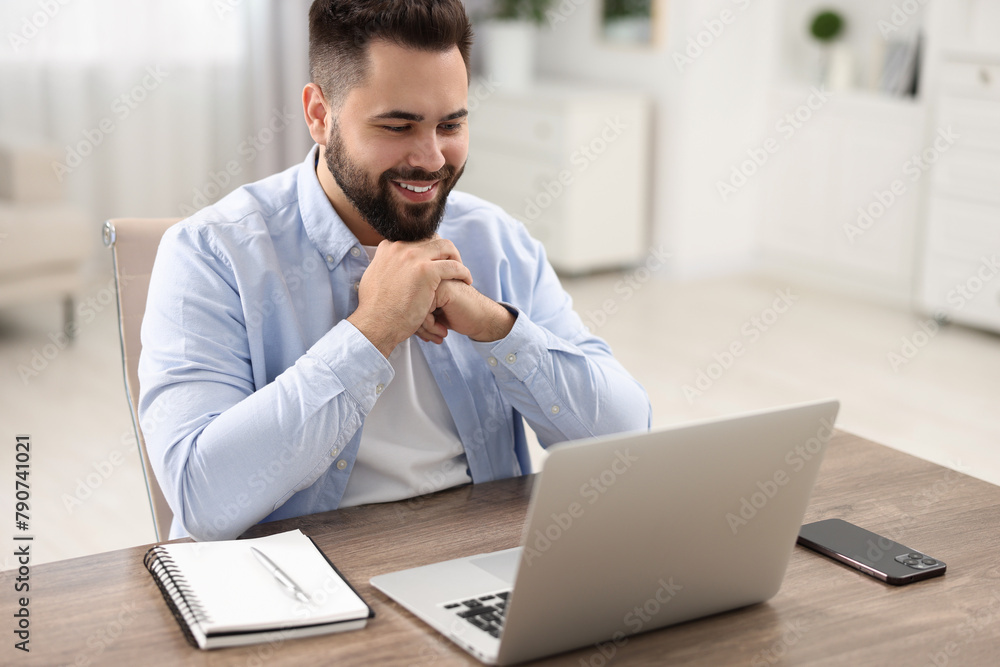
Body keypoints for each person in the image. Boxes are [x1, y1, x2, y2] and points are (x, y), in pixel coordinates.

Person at [138, 0, 651, 541]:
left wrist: (496, 327)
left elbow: (625, 442)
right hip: (306, 587)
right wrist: (371, 331)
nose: (431, 158)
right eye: (398, 126)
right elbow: (203, 501)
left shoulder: (497, 241)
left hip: (481, 564)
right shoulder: (209, 254)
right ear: (319, 115)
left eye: (450, 123)